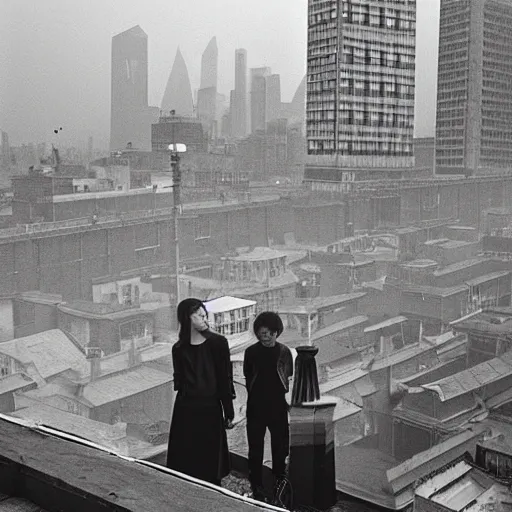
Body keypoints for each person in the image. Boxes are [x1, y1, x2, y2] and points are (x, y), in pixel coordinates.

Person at [166, 298, 235, 486]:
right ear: (187, 318)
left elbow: (225, 379)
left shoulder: (218, 343)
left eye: (205, 315)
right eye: (199, 315)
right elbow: (180, 381)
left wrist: (228, 411)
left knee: (209, 466)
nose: (205, 319)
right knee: (189, 465)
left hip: (206, 408)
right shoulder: (178, 348)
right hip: (187, 410)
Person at [243, 311, 294, 502]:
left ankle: (279, 487)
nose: (264, 337)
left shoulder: (284, 352)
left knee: (279, 450)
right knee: (255, 449)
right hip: (256, 407)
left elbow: (288, 378)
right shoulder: (251, 352)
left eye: (267, 334)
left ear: (276, 332)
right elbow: (249, 378)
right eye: (260, 334)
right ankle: (257, 488)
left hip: (278, 408)